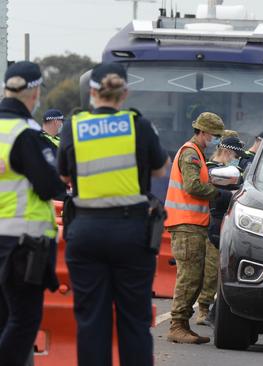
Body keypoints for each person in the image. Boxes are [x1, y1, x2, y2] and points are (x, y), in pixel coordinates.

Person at [58, 62, 169, 366]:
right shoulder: (138, 125)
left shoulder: (74, 126)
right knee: (134, 320)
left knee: (92, 320)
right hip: (132, 232)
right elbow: (161, 168)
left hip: (86, 231)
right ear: (125, 93)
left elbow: (64, 177)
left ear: (92, 92)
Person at [0, 61, 65, 366]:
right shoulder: (26, 133)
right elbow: (50, 185)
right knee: (24, 321)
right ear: (35, 91)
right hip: (21, 245)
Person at [165, 112, 230, 343]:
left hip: (191, 224)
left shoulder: (196, 153)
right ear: (202, 132)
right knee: (189, 277)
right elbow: (192, 186)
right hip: (186, 224)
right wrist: (219, 194)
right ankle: (177, 325)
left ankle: (182, 324)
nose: (215, 140)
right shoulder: (191, 153)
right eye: (214, 135)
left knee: (194, 276)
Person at [196, 136, 245, 326]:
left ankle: (214, 310)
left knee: (224, 269)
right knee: (211, 269)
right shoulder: (210, 169)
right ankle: (203, 309)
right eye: (234, 154)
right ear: (226, 151)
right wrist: (230, 195)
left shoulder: (236, 170)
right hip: (213, 221)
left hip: (231, 223)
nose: (236, 158)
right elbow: (213, 196)